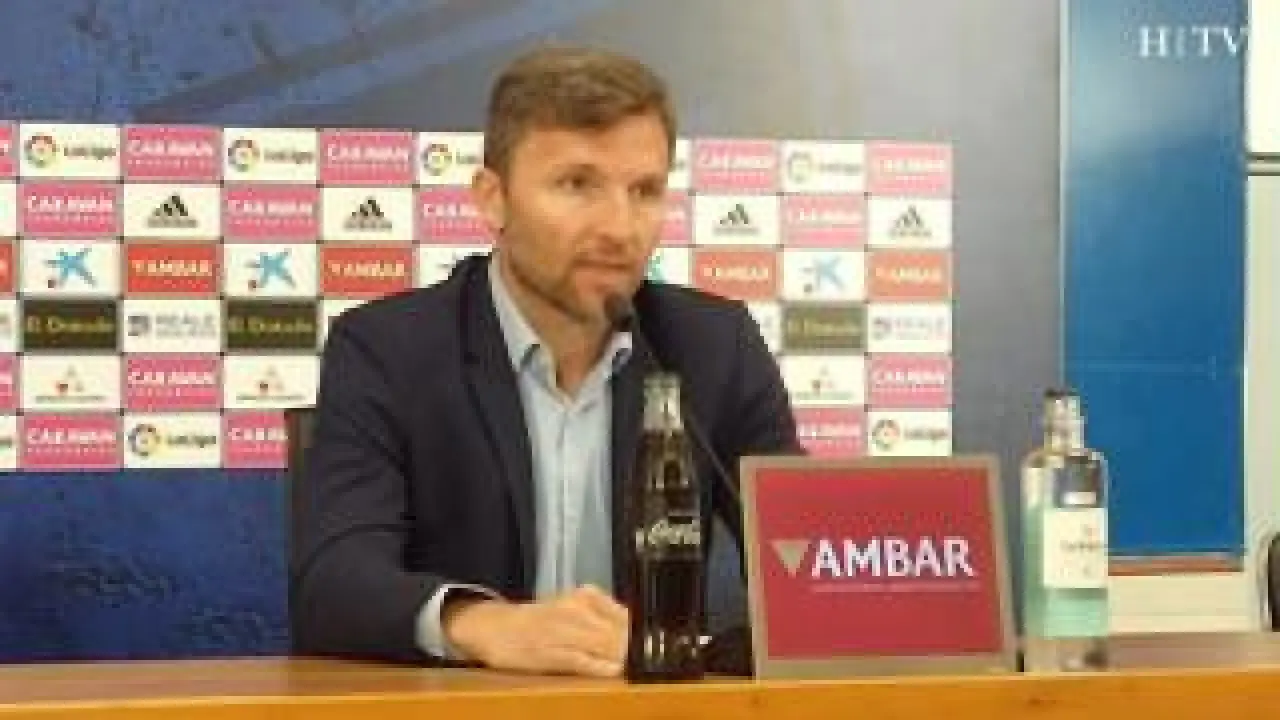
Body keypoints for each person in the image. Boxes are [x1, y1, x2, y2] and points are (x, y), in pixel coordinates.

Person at [290, 44, 800, 677]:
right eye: (577, 184)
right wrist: (486, 625)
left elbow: (808, 566)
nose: (620, 228)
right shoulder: (388, 350)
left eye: (644, 191)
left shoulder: (713, 346)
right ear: (493, 199)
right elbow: (332, 585)